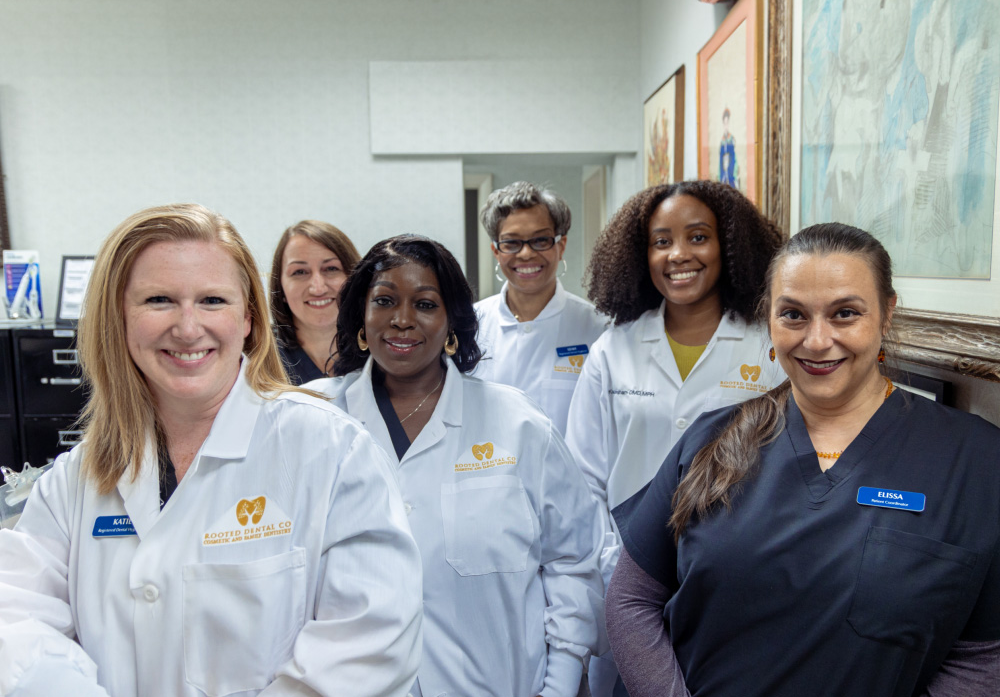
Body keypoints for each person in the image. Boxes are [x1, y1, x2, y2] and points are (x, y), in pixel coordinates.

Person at [0, 204, 423, 697]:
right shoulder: (76, 479)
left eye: (212, 301)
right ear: (118, 317)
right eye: (158, 300)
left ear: (247, 317)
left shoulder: (332, 450)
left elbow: (371, 642)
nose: (187, 327)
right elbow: (15, 619)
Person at [607, 223, 1000, 697]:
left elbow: (983, 653)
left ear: (887, 314)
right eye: (793, 315)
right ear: (768, 320)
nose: (816, 341)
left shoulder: (975, 462)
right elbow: (632, 599)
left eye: (845, 314)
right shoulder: (712, 440)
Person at [310, 235, 605, 697]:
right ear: (361, 322)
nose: (403, 319)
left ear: (452, 325)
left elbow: (573, 560)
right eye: (384, 301)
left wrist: (561, 683)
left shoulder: (517, 424)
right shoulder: (312, 422)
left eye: (425, 304)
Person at [566, 180, 784, 696]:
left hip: (732, 568)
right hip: (623, 567)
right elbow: (583, 480)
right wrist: (612, 564)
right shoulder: (613, 349)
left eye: (697, 237)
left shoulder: (768, 348)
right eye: (661, 241)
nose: (678, 254)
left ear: (729, 246)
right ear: (641, 255)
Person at [474, 181, 606, 435]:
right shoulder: (470, 325)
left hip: (569, 475)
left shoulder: (598, 328)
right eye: (511, 243)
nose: (525, 254)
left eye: (540, 240)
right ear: (496, 251)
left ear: (561, 246)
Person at [269, 219, 361, 384]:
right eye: (300, 272)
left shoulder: (379, 352)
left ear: (354, 279)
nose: (318, 288)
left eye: (331, 269)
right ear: (280, 287)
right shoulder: (259, 357)